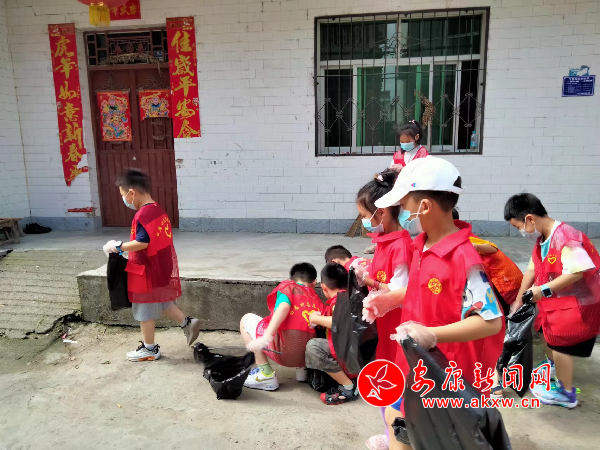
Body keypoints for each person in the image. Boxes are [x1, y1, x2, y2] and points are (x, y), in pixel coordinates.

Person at [371, 157, 504, 450]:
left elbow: (490, 321)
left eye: (404, 204)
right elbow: (422, 289)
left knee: (429, 431)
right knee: (399, 417)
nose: (403, 210)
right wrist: (390, 300)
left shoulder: (464, 259)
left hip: (444, 369)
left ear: (425, 206)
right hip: (413, 361)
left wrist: (432, 334)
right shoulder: (421, 245)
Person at [504, 193, 600, 409]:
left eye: (518, 227)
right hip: (559, 302)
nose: (520, 232)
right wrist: (518, 301)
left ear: (530, 219)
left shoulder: (566, 238)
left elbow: (577, 272)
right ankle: (554, 365)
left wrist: (543, 289)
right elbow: (532, 270)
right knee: (545, 332)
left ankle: (567, 394)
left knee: (560, 345)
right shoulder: (542, 240)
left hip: (580, 303)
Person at [103, 168, 201, 362]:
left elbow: (143, 242)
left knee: (144, 309)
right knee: (161, 299)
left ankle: (149, 349)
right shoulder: (158, 210)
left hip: (146, 269)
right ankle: (187, 323)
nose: (124, 199)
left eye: (123, 195)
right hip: (160, 265)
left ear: (132, 193)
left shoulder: (143, 214)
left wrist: (118, 246)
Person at [356, 169, 413, 450]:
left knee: (398, 383)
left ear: (383, 212)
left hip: (399, 325)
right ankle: (391, 435)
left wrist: (367, 280)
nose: (364, 221)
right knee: (388, 379)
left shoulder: (401, 244)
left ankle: (397, 438)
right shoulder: (384, 241)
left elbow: (399, 290)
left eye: (365, 215)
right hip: (386, 325)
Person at [453, 208, 524, 399]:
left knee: (486, 333)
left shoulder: (466, 240)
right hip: (496, 286)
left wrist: (467, 247)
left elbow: (491, 248)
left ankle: (493, 380)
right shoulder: (459, 239)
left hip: (501, 287)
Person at [240, 263, 323, 391]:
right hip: (306, 357)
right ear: (315, 282)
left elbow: (283, 307)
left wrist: (266, 337)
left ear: (291, 280)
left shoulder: (288, 287)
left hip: (283, 353)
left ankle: (265, 374)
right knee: (303, 328)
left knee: (246, 319)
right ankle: (302, 372)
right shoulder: (317, 299)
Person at [305, 263, 359, 405]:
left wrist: (315, 318)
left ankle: (348, 387)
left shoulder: (341, 301)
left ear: (323, 287)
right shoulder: (352, 295)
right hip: (360, 352)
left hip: (351, 355)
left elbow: (339, 323)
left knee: (314, 347)